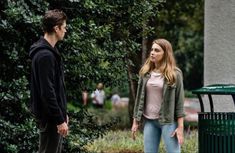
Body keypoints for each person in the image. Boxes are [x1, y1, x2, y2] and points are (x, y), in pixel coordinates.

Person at [131, 38, 185, 153]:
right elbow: (139, 98)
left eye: (157, 50)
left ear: (165, 54)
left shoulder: (175, 74)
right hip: (150, 121)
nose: (152, 52)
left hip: (168, 122)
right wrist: (135, 121)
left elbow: (180, 102)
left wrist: (180, 127)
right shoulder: (145, 73)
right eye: (152, 50)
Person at [29, 9, 68, 153]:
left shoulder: (49, 52)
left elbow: (55, 89)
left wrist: (63, 114)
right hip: (50, 118)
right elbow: (47, 92)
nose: (65, 30)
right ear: (56, 28)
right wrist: (59, 119)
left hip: (54, 117)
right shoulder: (45, 55)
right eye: (64, 27)